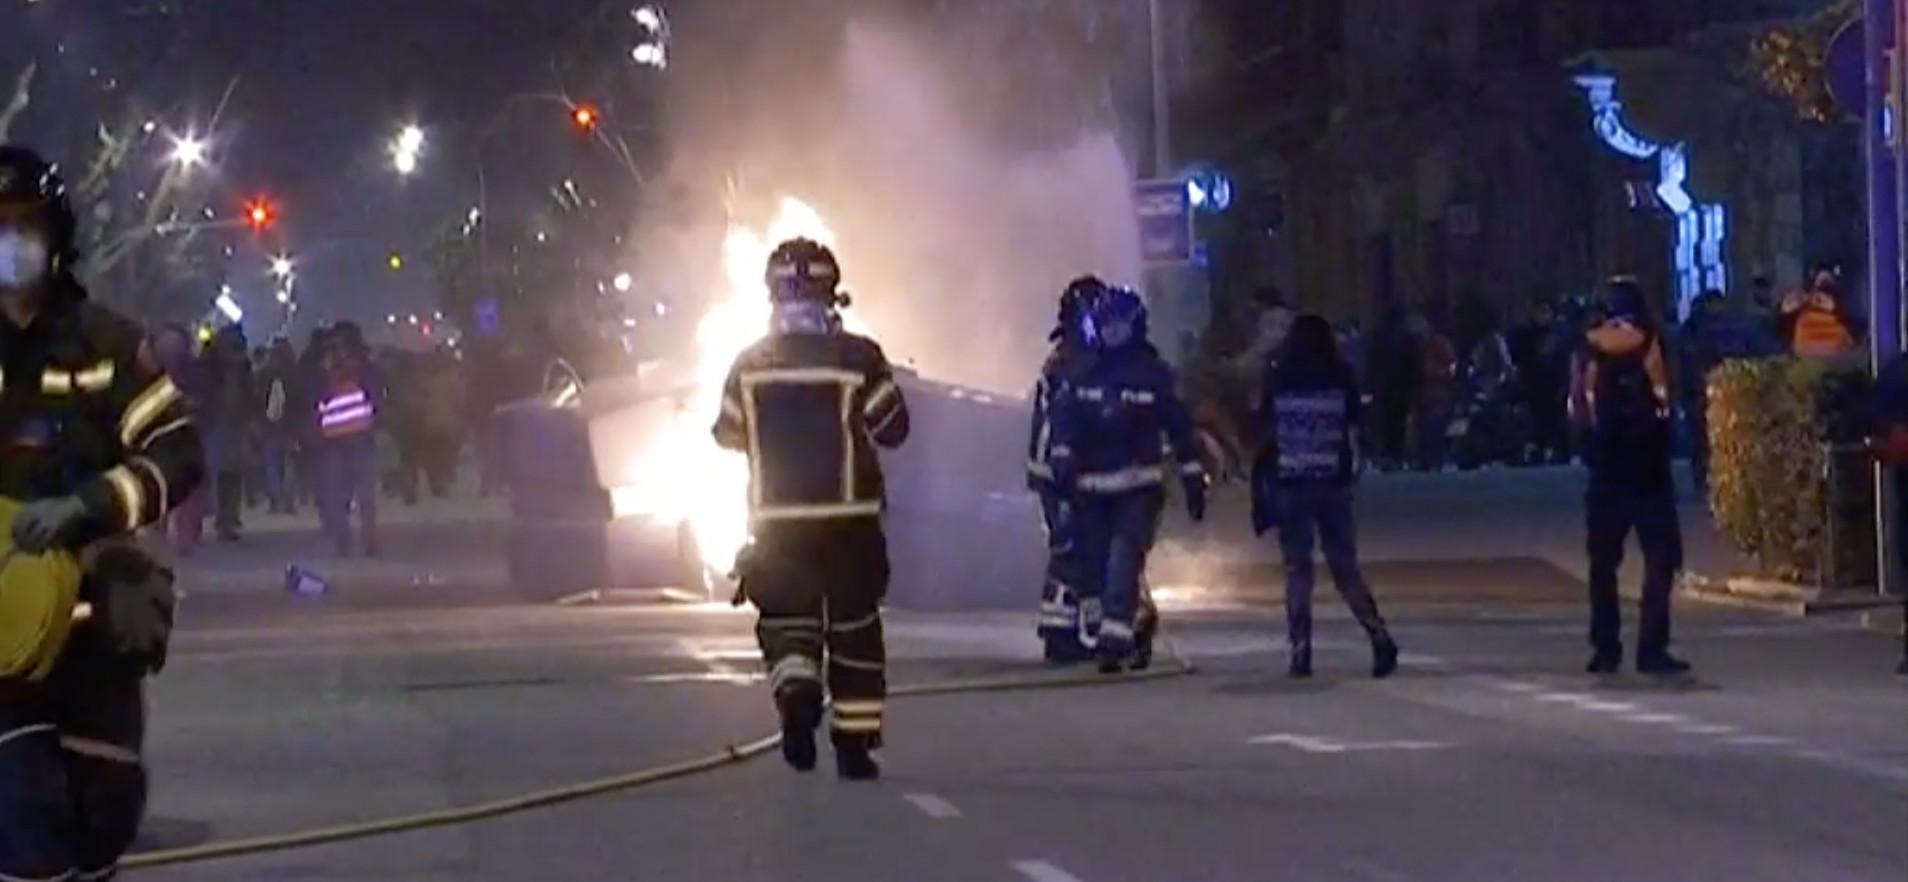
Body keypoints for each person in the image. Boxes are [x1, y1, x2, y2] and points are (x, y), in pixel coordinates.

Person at [0, 144, 205, 882]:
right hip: (2, 650)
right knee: (26, 828)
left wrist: (85, 507)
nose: (11, 244)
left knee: (100, 820)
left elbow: (178, 454)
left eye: (25, 225)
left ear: (55, 236)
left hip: (94, 639)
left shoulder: (109, 345)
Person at [711, 237, 910, 781]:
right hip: (850, 524)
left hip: (777, 525)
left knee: (787, 623)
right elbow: (894, 430)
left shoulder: (748, 363)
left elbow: (727, 435)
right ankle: (854, 746)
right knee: (854, 631)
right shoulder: (859, 357)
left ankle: (798, 695)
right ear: (832, 293)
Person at [1045, 285, 1206, 674]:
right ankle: (1129, 626)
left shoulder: (1153, 375)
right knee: (1098, 563)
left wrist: (1193, 478)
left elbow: (1180, 429)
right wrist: (1062, 460)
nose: (1112, 332)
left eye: (1119, 324)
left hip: (1139, 487)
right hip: (1092, 489)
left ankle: (1114, 639)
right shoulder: (1083, 372)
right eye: (1106, 324)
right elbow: (1064, 422)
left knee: (1123, 557)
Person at [1252, 314, 1399, 678]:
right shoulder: (1339, 376)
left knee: (1297, 570)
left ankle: (1300, 649)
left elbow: (1263, 426)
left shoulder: (1279, 378)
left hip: (1291, 480)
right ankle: (1377, 635)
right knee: (1344, 566)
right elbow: (1355, 423)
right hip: (1332, 481)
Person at [1568, 276, 1691, 677]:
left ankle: (1606, 648)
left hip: (1605, 469)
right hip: (1648, 467)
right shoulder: (1651, 340)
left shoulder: (1589, 345)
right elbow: (1668, 397)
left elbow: (1577, 409)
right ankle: (1652, 649)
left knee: (1603, 564)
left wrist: (1588, 442)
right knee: (1660, 558)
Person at [1027, 274, 1106, 664]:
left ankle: (1067, 628)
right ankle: (1064, 632)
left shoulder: (1068, 356)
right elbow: (1065, 420)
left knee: (1073, 546)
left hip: (1056, 470)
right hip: (1059, 472)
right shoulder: (1072, 361)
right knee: (1072, 547)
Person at [314, 321, 382, 556]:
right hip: (360, 434)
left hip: (334, 438)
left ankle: (345, 540)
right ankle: (367, 539)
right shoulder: (364, 366)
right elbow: (376, 396)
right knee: (364, 495)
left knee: (339, 494)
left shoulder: (325, 368)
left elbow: (315, 400)